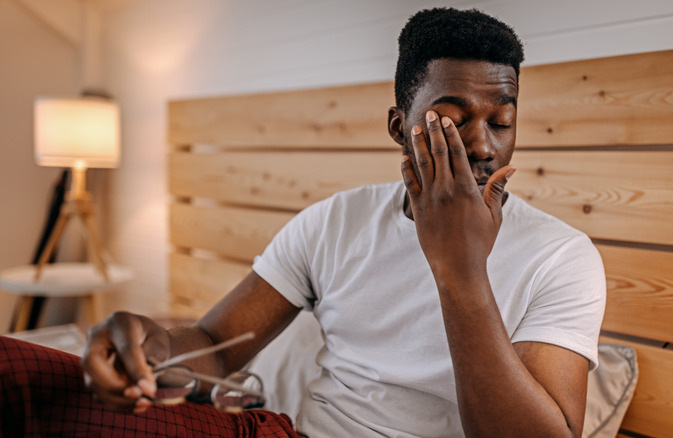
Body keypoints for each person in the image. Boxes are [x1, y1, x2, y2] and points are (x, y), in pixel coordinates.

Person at [0, 7, 605, 437]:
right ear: (400, 127)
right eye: (451, 120)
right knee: (20, 373)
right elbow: (213, 344)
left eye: (501, 122)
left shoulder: (561, 257)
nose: (481, 146)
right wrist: (149, 345)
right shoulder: (335, 222)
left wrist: (459, 269)